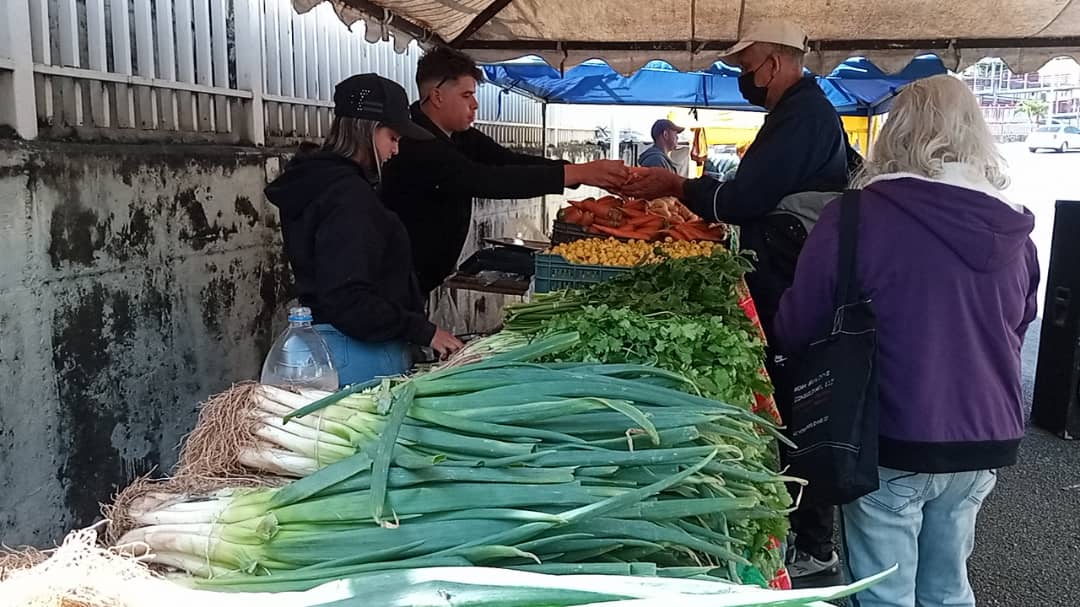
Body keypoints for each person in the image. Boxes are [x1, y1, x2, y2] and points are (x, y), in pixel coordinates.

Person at [772, 75, 1039, 607]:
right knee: (948, 587)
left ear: (895, 133)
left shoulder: (852, 217)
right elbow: (1018, 325)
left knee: (883, 594)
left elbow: (797, 325)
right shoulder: (1015, 231)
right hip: (983, 440)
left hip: (888, 435)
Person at [621, 18, 857, 578]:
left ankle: (810, 539)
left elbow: (743, 197)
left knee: (797, 400)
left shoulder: (801, 116)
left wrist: (678, 187)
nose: (744, 80)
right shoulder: (799, 113)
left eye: (746, 69)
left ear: (772, 65)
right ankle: (799, 524)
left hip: (792, 279)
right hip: (789, 272)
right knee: (791, 395)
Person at [265, 74, 464, 387]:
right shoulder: (348, 196)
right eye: (393, 138)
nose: (395, 151)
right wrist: (425, 331)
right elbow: (348, 297)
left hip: (329, 344)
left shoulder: (320, 183)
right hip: (356, 354)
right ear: (368, 131)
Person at [381, 47, 629, 294]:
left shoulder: (458, 136)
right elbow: (486, 180)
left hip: (423, 274)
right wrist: (580, 173)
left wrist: (577, 170)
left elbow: (505, 160)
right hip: (397, 274)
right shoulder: (415, 143)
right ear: (437, 96)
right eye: (467, 95)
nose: (475, 104)